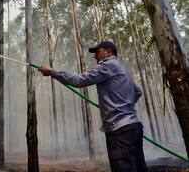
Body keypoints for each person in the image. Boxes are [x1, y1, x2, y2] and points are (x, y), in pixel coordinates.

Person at [38, 41, 148, 172]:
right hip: (133, 127)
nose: (95, 56)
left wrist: (53, 72)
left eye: (97, 51)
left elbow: (79, 81)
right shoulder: (121, 68)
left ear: (108, 51)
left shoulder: (107, 65)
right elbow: (138, 92)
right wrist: (122, 106)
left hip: (120, 131)